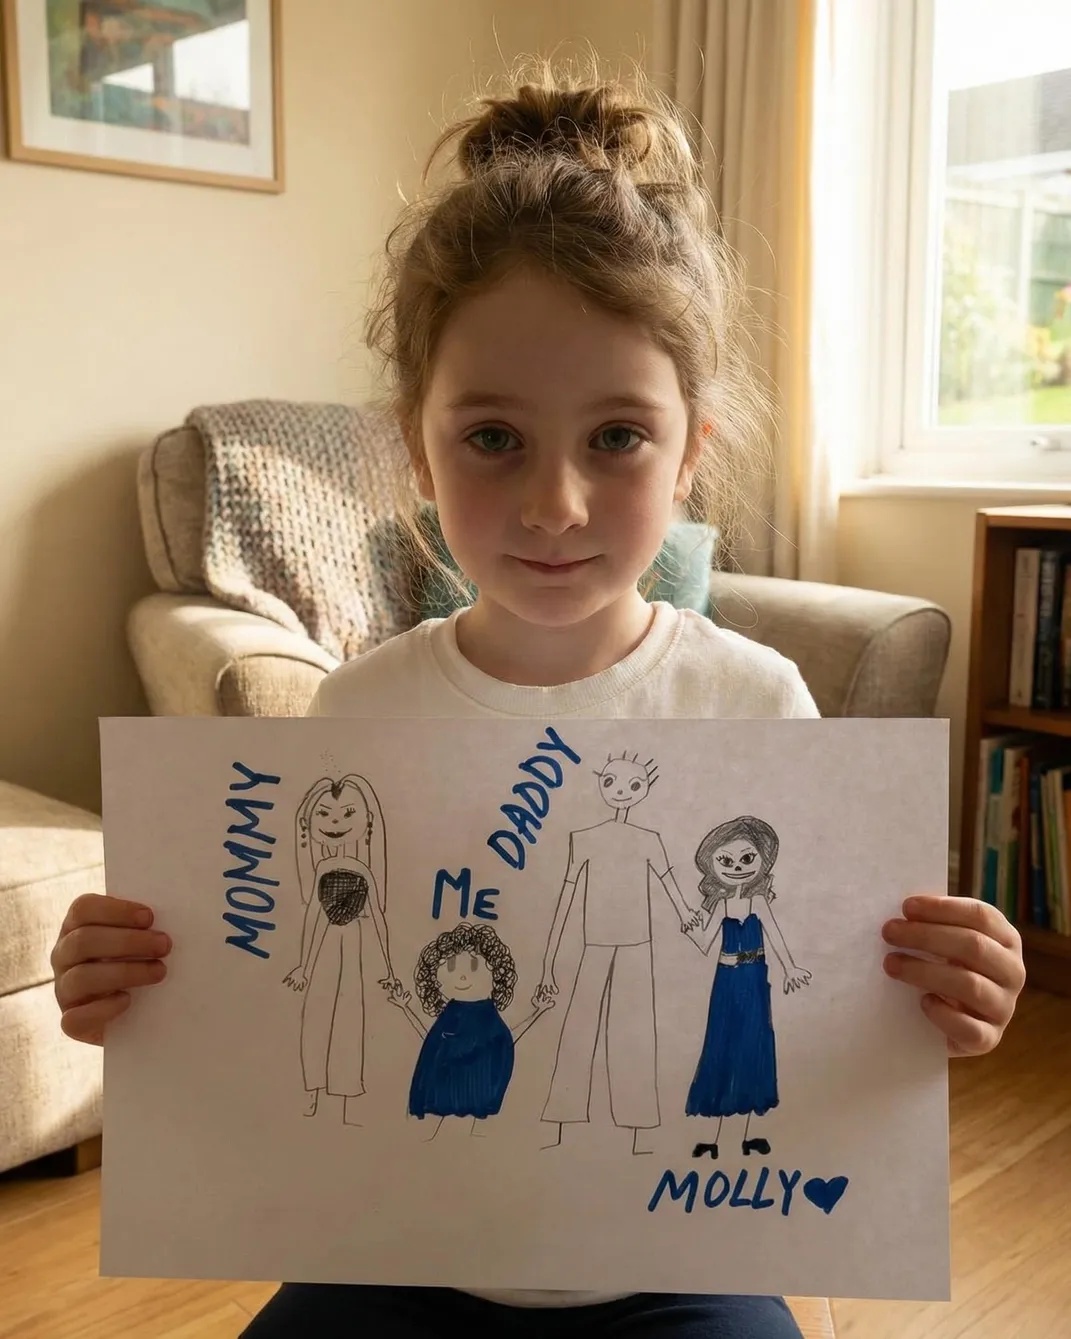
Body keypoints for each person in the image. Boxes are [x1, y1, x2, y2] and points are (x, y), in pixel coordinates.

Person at [50, 60, 1026, 1339]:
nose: (555, 504)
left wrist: (946, 1000)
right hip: (396, 1250)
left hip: (678, 1262)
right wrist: (135, 989)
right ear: (418, 446)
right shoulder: (358, 714)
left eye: (617, 436)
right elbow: (276, 981)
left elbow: (832, 1008)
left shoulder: (757, 706)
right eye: (493, 437)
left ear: (690, 452)